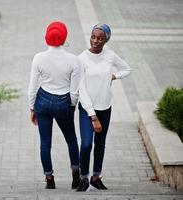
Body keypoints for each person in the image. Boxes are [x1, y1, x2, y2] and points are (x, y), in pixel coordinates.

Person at [76, 23, 132, 191]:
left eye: (100, 38)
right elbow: (82, 90)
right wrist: (93, 116)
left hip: (105, 107)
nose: (96, 41)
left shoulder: (110, 55)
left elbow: (127, 69)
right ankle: (83, 178)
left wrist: (114, 76)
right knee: (86, 144)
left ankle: (96, 177)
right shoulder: (81, 59)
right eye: (93, 37)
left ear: (106, 39)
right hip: (87, 109)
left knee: (100, 143)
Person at [28, 21, 81, 189]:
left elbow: (32, 88)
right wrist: (71, 107)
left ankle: (49, 179)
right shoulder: (74, 60)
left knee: (45, 143)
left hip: (42, 100)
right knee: (71, 139)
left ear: (46, 38)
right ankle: (75, 176)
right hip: (63, 101)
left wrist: (32, 108)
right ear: (64, 38)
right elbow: (74, 92)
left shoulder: (38, 58)